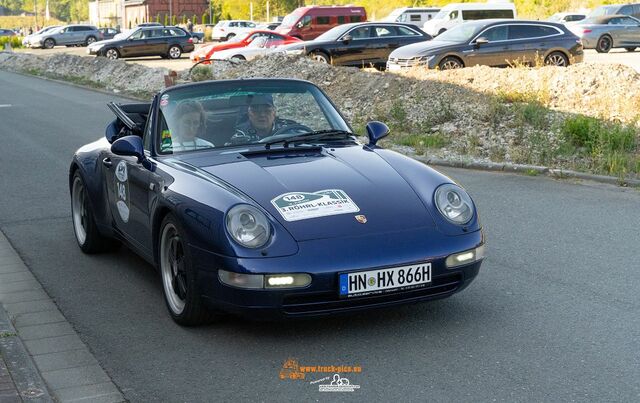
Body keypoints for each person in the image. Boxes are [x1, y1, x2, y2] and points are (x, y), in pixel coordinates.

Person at [229, 95, 296, 144]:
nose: (262, 115)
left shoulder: (288, 131)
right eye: (256, 111)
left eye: (267, 111)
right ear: (249, 114)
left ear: (274, 113)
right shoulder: (240, 137)